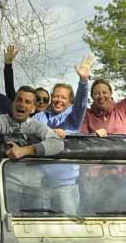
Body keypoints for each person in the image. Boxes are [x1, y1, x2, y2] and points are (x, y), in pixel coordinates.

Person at [0, 86, 64, 210]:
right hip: (9, 187)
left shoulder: (37, 126)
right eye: (19, 100)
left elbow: (58, 144)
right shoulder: (2, 120)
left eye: (27, 102)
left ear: (33, 109)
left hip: (35, 189)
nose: (22, 104)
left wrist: (25, 150)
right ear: (13, 103)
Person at [30, 53, 95, 214]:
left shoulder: (73, 116)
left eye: (63, 97)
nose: (59, 100)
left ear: (70, 101)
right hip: (40, 185)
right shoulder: (41, 116)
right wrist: (51, 132)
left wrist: (83, 81)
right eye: (56, 96)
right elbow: (31, 130)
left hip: (66, 186)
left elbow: (81, 101)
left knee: (68, 229)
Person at [2, 45, 51, 114]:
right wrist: (8, 64)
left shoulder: (54, 120)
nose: (41, 102)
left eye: (45, 100)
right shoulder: (24, 115)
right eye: (38, 99)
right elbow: (10, 90)